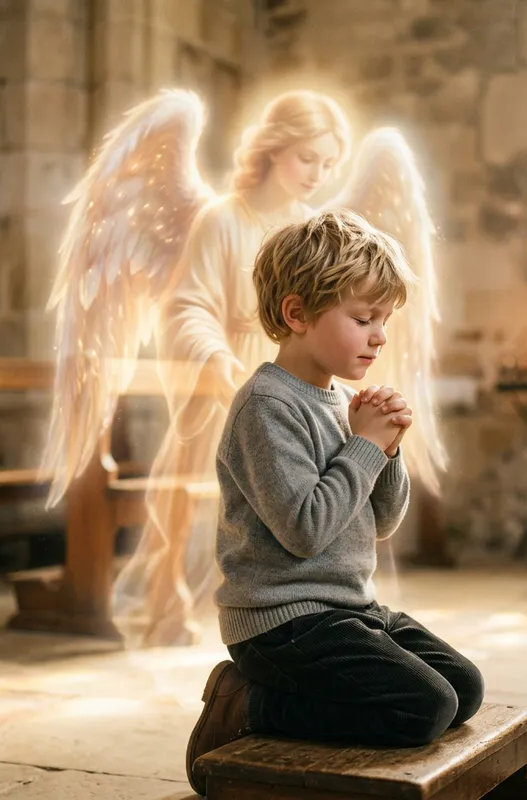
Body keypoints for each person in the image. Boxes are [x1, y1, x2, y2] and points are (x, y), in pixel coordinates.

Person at [185, 209, 484, 796]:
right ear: (297, 314)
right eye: (363, 318)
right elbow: (305, 530)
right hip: (282, 623)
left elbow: (382, 523)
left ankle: (280, 697)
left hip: (348, 608)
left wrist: (387, 450)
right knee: (422, 708)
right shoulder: (266, 407)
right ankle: (247, 703)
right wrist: (366, 444)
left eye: (385, 320)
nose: (379, 336)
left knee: (464, 689)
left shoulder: (344, 402)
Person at [110, 90, 352, 647]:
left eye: (328, 164)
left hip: (293, 375)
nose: (317, 175)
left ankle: (292, 603)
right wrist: (216, 357)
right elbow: (188, 304)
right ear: (273, 148)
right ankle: (173, 600)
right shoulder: (222, 219)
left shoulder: (313, 231)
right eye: (307, 158)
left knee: (293, 496)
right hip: (226, 375)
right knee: (200, 497)